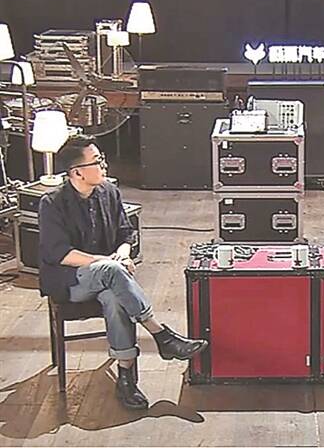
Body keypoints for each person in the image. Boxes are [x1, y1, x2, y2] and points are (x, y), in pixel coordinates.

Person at [38, 137, 208, 411]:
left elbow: (126, 233)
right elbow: (60, 254)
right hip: (70, 280)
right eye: (97, 161)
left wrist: (123, 253)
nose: (104, 165)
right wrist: (108, 262)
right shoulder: (52, 203)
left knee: (115, 299)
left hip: (109, 278)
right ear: (77, 172)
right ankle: (161, 335)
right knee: (111, 271)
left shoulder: (109, 192)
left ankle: (126, 377)